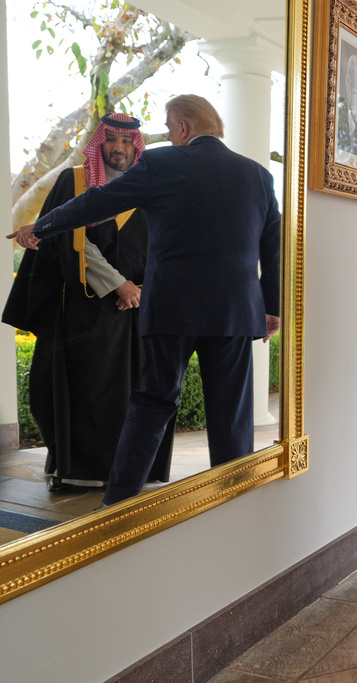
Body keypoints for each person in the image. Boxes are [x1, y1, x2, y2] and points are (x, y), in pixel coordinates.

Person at [9, 95, 281, 507]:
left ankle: (117, 503)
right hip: (234, 312)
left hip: (171, 309)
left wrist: (42, 226)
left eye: (170, 128)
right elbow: (272, 247)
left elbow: (95, 203)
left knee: (152, 404)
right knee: (231, 414)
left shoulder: (161, 164)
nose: (169, 136)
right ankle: (235, 501)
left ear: (185, 128)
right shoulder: (259, 175)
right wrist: (271, 306)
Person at [2, 113, 173, 492]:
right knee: (88, 392)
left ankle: (131, 470)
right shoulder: (74, 180)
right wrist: (118, 285)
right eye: (111, 140)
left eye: (127, 142)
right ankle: (82, 471)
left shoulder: (151, 185)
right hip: (83, 307)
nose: (119, 148)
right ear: (99, 143)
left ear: (136, 145)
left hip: (139, 308)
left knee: (136, 392)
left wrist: (142, 290)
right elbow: (71, 237)